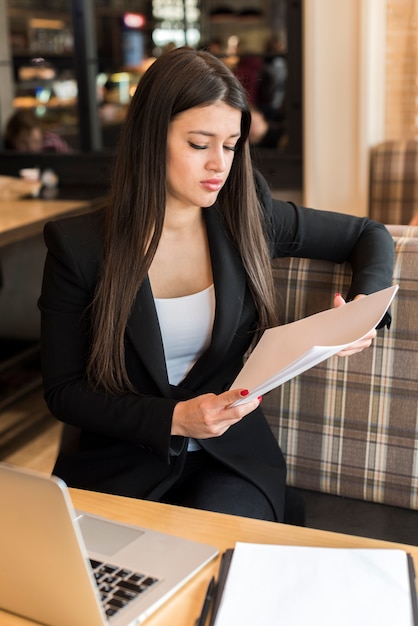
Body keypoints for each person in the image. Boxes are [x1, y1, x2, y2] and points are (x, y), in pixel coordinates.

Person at [39, 47, 394, 525]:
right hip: (121, 466)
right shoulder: (79, 246)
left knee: (215, 552)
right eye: (199, 143)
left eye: (230, 146)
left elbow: (367, 234)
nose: (219, 165)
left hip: (230, 463)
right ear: (151, 138)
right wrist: (172, 420)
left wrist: (363, 309)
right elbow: (64, 392)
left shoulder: (248, 214)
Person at [4, 109, 70, 153]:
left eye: (36, 141)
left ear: (42, 136)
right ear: (12, 140)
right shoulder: (6, 151)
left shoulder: (54, 145)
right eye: (24, 143)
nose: (31, 148)